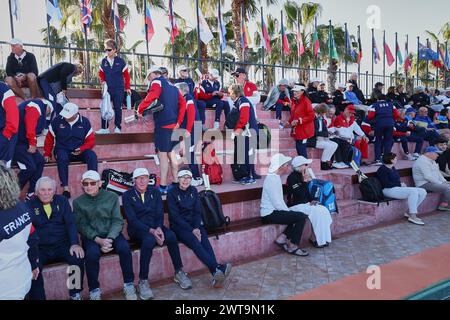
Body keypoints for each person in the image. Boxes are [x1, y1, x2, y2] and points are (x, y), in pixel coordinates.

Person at [122, 168, 193, 300]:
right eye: (139, 178)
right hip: (138, 229)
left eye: (145, 177)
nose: (143, 181)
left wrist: (159, 228)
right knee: (149, 240)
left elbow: (159, 213)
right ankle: (143, 280)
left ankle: (179, 272)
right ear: (134, 181)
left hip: (155, 226)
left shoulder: (154, 192)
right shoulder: (127, 196)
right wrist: (152, 231)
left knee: (171, 236)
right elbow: (132, 220)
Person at [74, 170, 137, 300]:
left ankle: (129, 284)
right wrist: (98, 240)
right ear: (82, 184)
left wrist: (109, 239)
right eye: (86, 184)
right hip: (92, 236)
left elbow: (117, 220)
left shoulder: (112, 197)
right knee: (91, 254)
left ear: (99, 183)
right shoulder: (78, 202)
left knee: (124, 248)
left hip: (111, 234)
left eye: (92, 183)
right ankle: (94, 290)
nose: (89, 186)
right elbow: (82, 225)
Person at [167, 169, 232, 287]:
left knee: (204, 240)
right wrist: (192, 230)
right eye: (183, 177)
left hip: (194, 225)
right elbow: (175, 216)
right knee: (194, 241)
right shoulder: (172, 192)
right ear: (178, 178)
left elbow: (197, 212)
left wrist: (196, 227)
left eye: (188, 178)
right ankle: (217, 268)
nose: (185, 180)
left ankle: (215, 273)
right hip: (179, 226)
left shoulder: (193, 191)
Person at [27, 177, 85, 300]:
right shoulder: (29, 205)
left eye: (49, 190)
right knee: (32, 267)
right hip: (40, 248)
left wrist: (74, 243)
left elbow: (70, 223)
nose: (46, 193)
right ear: (36, 192)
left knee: (77, 258)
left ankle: (75, 293)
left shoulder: (62, 201)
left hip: (62, 245)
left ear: (54, 191)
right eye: (42, 190)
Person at [137, 66, 186, 195]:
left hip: (163, 126)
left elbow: (152, 96)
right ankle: (176, 183)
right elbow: (183, 105)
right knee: (172, 155)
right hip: (174, 125)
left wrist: (140, 109)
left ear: (153, 74)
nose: (149, 80)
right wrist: (179, 122)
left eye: (148, 77)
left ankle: (163, 186)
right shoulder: (174, 87)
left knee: (163, 156)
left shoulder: (157, 82)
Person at [0, 163, 39, 300]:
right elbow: (33, 239)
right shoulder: (22, 207)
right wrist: (34, 264)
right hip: (23, 278)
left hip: (5, 289)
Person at [44, 102, 97, 199]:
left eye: (68, 115)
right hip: (62, 149)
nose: (65, 117)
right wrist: (47, 154)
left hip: (80, 150)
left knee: (92, 155)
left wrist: (82, 149)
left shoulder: (84, 122)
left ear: (76, 114)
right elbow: (49, 139)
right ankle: (65, 188)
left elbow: (91, 141)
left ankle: (93, 182)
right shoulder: (57, 121)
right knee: (62, 157)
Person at [260, 153, 309, 256]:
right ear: (280, 166)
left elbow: (279, 202)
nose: (288, 167)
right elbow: (277, 203)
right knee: (300, 217)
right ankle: (292, 245)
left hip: (273, 211)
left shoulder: (275, 177)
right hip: (269, 214)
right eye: (286, 165)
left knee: (297, 215)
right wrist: (289, 212)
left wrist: (290, 212)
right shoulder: (272, 179)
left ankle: (282, 239)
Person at [286, 156, 333, 247]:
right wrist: (305, 182)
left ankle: (320, 238)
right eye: (305, 165)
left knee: (323, 210)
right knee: (316, 212)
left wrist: (312, 200)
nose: (307, 167)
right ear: (299, 166)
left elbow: (307, 195)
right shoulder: (292, 178)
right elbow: (299, 194)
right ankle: (316, 239)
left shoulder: (303, 176)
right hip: (295, 205)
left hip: (305, 204)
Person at [13, 99, 53, 200]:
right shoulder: (36, 106)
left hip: (23, 142)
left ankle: (31, 192)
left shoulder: (38, 107)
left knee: (39, 161)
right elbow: (30, 126)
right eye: (49, 112)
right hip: (14, 143)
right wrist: (32, 143)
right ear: (47, 107)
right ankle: (11, 193)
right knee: (29, 167)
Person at [376, 153, 427, 225]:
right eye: (395, 158)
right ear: (391, 160)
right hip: (387, 190)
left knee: (423, 191)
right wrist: (400, 184)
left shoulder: (392, 167)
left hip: (396, 188)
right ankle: (413, 215)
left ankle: (409, 212)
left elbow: (396, 180)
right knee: (413, 191)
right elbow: (386, 184)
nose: (397, 160)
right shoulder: (382, 170)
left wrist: (400, 184)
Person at [96, 39, 131, 134]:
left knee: (117, 107)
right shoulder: (103, 61)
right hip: (107, 88)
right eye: (105, 49)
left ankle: (117, 127)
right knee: (105, 107)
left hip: (118, 88)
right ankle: (104, 128)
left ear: (115, 50)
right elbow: (101, 73)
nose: (107, 51)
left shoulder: (121, 61)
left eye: (109, 49)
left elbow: (126, 75)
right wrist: (102, 81)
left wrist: (127, 87)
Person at [174, 82, 203, 186]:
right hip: (191, 129)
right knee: (189, 153)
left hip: (193, 129)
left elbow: (191, 115)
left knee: (190, 153)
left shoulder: (188, 98)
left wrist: (188, 130)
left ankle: (196, 177)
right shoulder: (184, 99)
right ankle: (197, 177)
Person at [229, 84, 258, 184]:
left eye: (230, 93)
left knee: (244, 155)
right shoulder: (239, 101)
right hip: (243, 132)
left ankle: (248, 176)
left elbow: (244, 118)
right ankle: (241, 176)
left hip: (247, 132)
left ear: (234, 92)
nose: (229, 95)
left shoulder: (243, 101)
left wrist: (237, 129)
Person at [413, 146, 450, 211]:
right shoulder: (422, 161)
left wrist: (444, 181)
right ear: (428, 153)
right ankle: (444, 205)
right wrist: (441, 183)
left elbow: (438, 172)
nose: (438, 155)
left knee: (447, 185)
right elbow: (428, 177)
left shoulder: (431, 160)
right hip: (423, 184)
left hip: (431, 182)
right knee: (447, 188)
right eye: (436, 153)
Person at [367, 93, 400, 165]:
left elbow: (370, 116)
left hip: (379, 124)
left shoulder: (374, 105)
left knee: (378, 141)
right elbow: (397, 115)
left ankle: (378, 160)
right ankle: (387, 160)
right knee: (388, 141)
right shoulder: (391, 105)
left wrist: (374, 121)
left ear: (378, 99)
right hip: (390, 124)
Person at [174, 65, 206, 130]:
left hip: (191, 98)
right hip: (183, 100)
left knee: (202, 104)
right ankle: (198, 127)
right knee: (193, 102)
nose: (186, 72)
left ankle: (202, 124)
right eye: (184, 70)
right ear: (179, 72)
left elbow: (193, 91)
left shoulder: (190, 80)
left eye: (187, 70)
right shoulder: (176, 82)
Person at [288, 85, 315, 158]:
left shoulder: (306, 101)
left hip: (305, 130)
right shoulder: (294, 101)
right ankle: (302, 167)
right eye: (294, 91)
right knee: (299, 149)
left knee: (301, 150)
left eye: (297, 91)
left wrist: (299, 121)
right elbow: (293, 114)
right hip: (297, 130)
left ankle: (305, 167)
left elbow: (311, 116)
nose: (295, 93)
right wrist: (289, 122)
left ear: (302, 92)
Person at [311, 104, 339, 170]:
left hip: (321, 139)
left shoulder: (321, 118)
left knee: (335, 144)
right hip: (314, 140)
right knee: (329, 146)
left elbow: (324, 129)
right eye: (324, 112)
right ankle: (323, 163)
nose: (325, 114)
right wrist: (325, 134)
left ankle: (326, 161)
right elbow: (313, 132)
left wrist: (328, 133)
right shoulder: (313, 118)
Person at [0, 81, 19, 168]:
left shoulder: (4, 90)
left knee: (3, 169)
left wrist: (5, 137)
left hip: (4, 134)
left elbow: (13, 120)